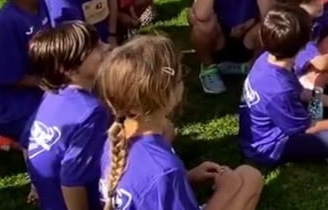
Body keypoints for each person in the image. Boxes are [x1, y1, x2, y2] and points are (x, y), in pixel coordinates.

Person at [98, 34, 263, 210]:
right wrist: (226, 191)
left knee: (248, 176)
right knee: (248, 178)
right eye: (180, 76)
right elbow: (158, 181)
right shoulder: (164, 169)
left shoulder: (116, 140)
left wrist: (188, 178)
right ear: (164, 96)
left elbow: (148, 193)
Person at [238, 6, 328, 176]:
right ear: (303, 45)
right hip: (272, 146)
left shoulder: (269, 58)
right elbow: (306, 128)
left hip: (288, 115)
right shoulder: (278, 89)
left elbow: (301, 92)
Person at [0, 0, 74, 147]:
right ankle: (1, 137)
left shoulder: (41, 4)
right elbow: (3, 76)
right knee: (64, 138)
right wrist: (49, 83)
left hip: (39, 91)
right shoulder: (7, 23)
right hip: (11, 109)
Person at [24, 23, 110, 210]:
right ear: (68, 68)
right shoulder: (91, 112)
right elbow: (72, 181)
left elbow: (27, 143)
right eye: (96, 47)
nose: (107, 47)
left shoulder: (51, 95)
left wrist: (35, 186)